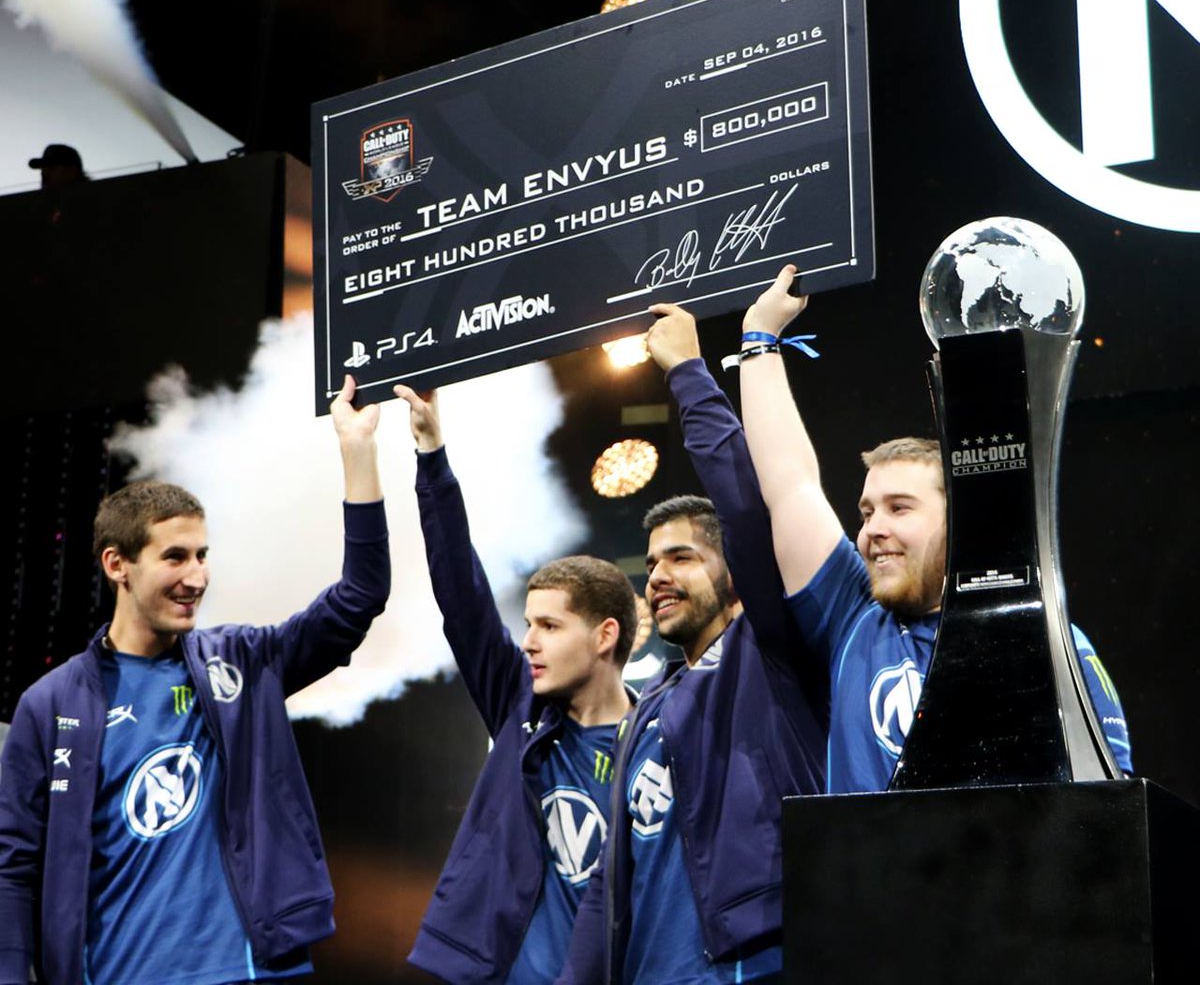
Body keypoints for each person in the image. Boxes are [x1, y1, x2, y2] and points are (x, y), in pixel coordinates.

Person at [0, 375, 390, 985]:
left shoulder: (243, 660)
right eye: (175, 557)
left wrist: (357, 450)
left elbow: (360, 596)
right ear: (117, 565)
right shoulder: (49, 704)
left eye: (203, 555)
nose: (197, 577)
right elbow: (14, 866)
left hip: (253, 971)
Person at [737, 265, 1133, 792]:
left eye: (899, 508)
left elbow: (1106, 800)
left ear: (961, 521)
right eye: (866, 512)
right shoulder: (851, 613)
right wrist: (759, 339)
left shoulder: (1042, 635)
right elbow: (789, 483)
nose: (873, 530)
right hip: (862, 852)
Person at [561, 307, 827, 984]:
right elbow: (609, 884)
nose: (657, 576)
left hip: (750, 963)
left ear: (735, 571)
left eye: (681, 558)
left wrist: (688, 372)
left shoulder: (768, 655)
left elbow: (747, 508)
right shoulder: (646, 708)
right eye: (652, 563)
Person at [394, 384, 638, 985]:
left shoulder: (659, 740)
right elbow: (461, 592)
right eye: (528, 624)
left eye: (549, 626)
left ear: (604, 636)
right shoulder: (517, 700)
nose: (528, 641)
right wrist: (432, 457)